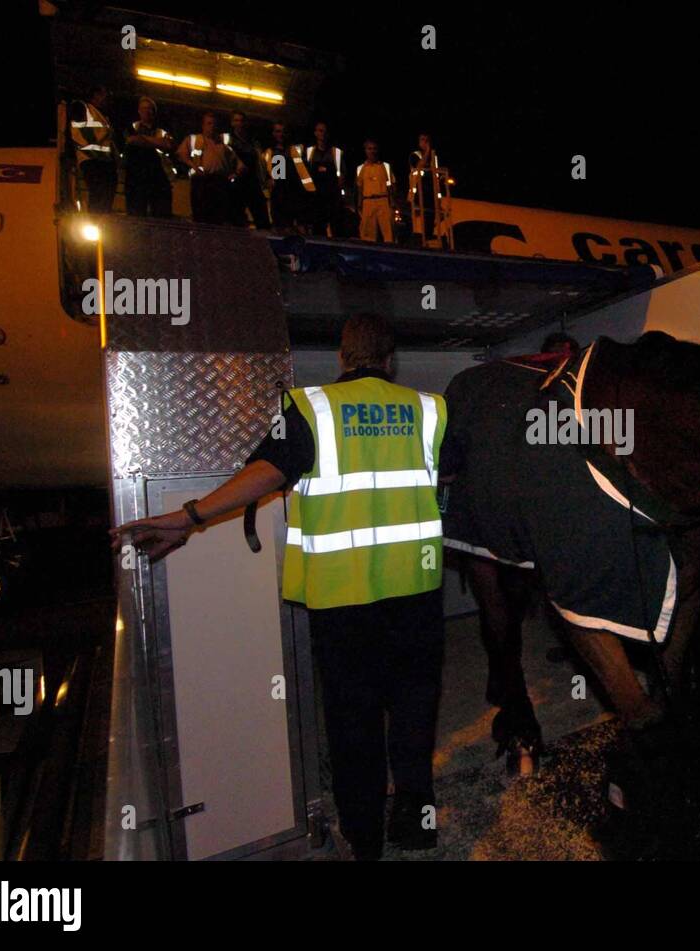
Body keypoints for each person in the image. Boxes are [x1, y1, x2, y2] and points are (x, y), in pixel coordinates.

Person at [110, 314, 448, 860]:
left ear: (343, 356)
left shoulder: (313, 409)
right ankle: (417, 820)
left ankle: (363, 839)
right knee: (414, 708)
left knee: (352, 720)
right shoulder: (429, 409)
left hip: (344, 601)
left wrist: (190, 516)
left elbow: (267, 472)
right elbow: (445, 473)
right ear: (391, 359)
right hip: (416, 593)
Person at [176, 112, 240, 225]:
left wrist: (235, 174)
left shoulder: (224, 142)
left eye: (214, 124)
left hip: (220, 184)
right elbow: (181, 154)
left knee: (219, 218)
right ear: (203, 125)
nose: (212, 127)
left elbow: (239, 161)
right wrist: (193, 166)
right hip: (201, 182)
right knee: (200, 218)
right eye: (209, 123)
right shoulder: (194, 139)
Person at [69, 85, 118, 213]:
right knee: (97, 197)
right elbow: (80, 133)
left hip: (104, 162)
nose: (107, 98)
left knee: (105, 199)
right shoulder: (83, 108)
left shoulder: (101, 114)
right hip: (91, 160)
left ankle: (102, 223)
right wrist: (105, 132)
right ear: (96, 95)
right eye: (104, 94)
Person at [123, 96, 174, 218]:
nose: (147, 111)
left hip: (158, 178)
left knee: (160, 214)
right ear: (139, 111)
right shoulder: (131, 127)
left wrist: (142, 140)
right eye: (144, 108)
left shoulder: (161, 130)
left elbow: (168, 144)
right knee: (136, 215)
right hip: (136, 179)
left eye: (150, 109)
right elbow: (131, 140)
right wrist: (156, 142)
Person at [223, 110, 270, 229]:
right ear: (232, 123)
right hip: (236, 184)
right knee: (236, 218)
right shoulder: (227, 140)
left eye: (242, 121)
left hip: (253, 183)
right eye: (236, 120)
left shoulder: (253, 143)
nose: (239, 123)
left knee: (262, 217)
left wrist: (266, 178)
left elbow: (261, 162)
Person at [264, 121, 313, 232]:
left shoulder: (294, 151)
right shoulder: (271, 152)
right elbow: (274, 178)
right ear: (273, 133)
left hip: (295, 198)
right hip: (279, 199)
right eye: (278, 131)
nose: (281, 134)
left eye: (284, 132)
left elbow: (303, 174)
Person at [305, 121, 344, 236]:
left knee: (335, 228)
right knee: (318, 229)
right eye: (320, 131)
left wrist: (338, 194)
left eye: (325, 131)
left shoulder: (336, 152)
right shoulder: (309, 152)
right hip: (315, 197)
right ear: (315, 133)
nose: (323, 134)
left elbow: (342, 175)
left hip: (331, 196)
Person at [355, 140, 396, 243]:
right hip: (368, 201)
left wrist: (392, 202)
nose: (372, 151)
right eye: (369, 149)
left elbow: (391, 185)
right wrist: (360, 203)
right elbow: (360, 187)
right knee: (367, 234)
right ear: (365, 151)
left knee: (388, 233)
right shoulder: (360, 168)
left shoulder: (385, 166)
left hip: (383, 200)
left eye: (374, 148)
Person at [408, 132, 443, 247]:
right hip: (419, 190)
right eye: (423, 140)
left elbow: (436, 174)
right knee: (419, 218)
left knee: (431, 217)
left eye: (427, 140)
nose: (425, 142)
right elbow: (419, 165)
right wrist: (427, 151)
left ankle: (429, 239)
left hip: (431, 191)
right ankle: (418, 241)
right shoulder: (415, 155)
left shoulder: (434, 157)